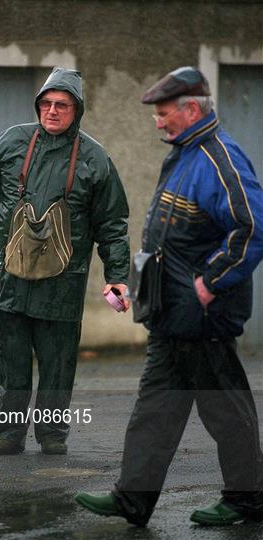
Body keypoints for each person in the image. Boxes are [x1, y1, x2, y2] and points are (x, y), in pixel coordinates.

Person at [75, 66, 263, 526]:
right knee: (155, 410)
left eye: (164, 115)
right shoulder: (183, 154)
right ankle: (132, 499)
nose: (157, 122)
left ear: (192, 109)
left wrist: (209, 282)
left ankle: (249, 500)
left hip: (203, 317)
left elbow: (253, 226)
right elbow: (167, 239)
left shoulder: (221, 158)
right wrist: (134, 287)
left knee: (225, 411)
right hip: (170, 316)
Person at [0, 67, 130, 456]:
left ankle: (51, 435)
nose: (52, 111)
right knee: (11, 362)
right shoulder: (9, 143)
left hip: (64, 283)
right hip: (10, 277)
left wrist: (117, 276)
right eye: (46, 103)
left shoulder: (96, 159)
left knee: (58, 362)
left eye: (62, 105)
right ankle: (9, 435)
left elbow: (112, 225)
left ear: (76, 110)